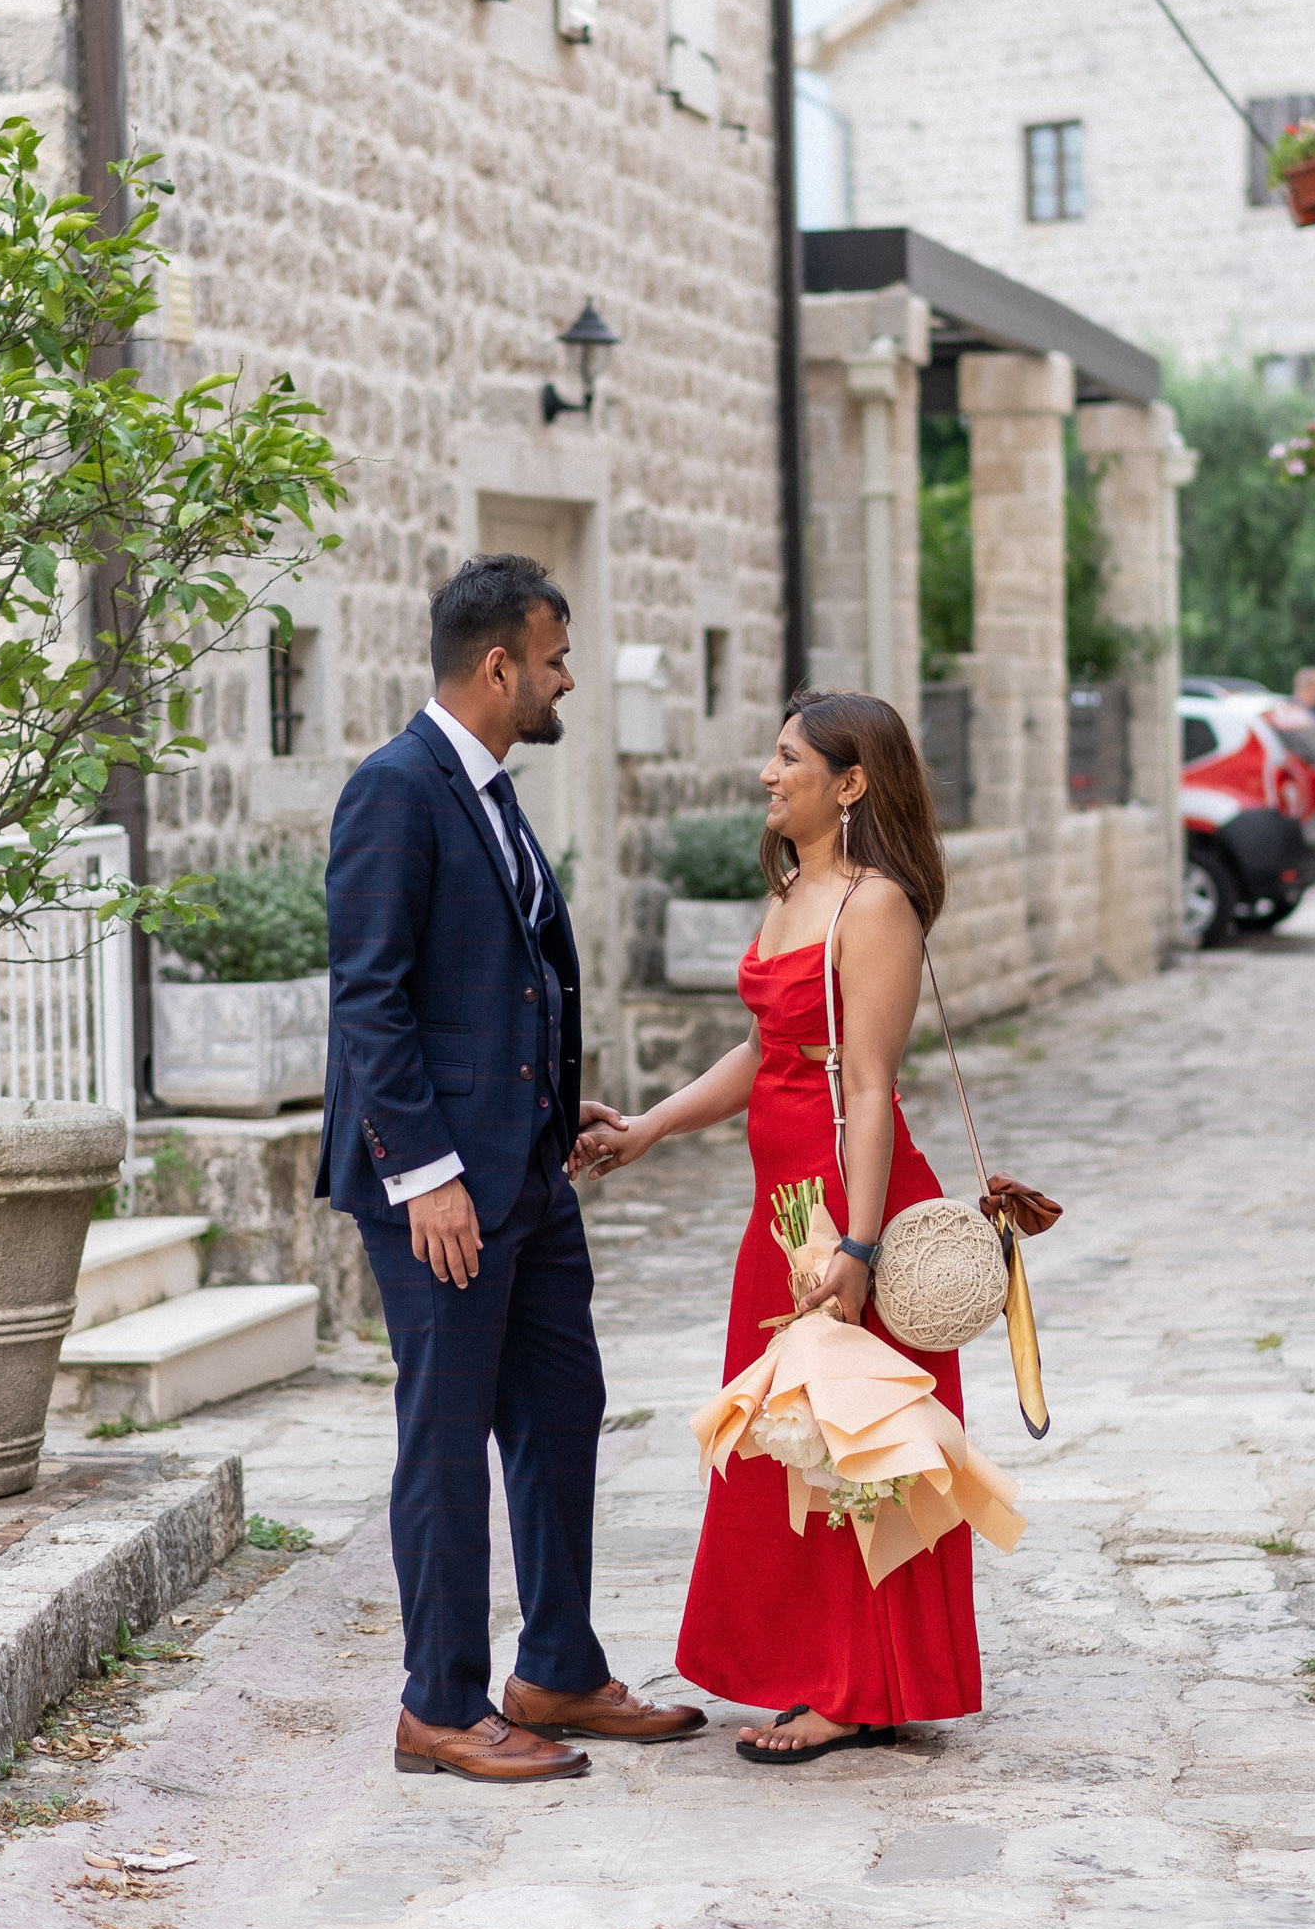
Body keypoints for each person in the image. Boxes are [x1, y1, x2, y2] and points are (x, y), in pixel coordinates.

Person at [318, 554, 705, 1780]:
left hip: (525, 1171)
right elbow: (369, 1000)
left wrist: (543, 1100)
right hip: (441, 1194)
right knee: (445, 1437)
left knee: (560, 1412)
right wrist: (424, 1170)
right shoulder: (393, 789)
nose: (567, 680)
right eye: (552, 659)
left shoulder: (488, 789)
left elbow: (493, 979)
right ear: (498, 666)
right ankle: (438, 1702)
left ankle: (556, 1667)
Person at [574, 690, 980, 1763]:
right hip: (780, 1214)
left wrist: (855, 1247)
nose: (766, 772)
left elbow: (870, 1088)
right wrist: (650, 1127)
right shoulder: (794, 887)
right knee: (792, 1456)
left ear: (848, 784)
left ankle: (857, 1685)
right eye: (772, 754)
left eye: (788, 758)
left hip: (843, 1208)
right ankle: (827, 1670)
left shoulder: (873, 905)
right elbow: (767, 1052)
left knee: (858, 1454)